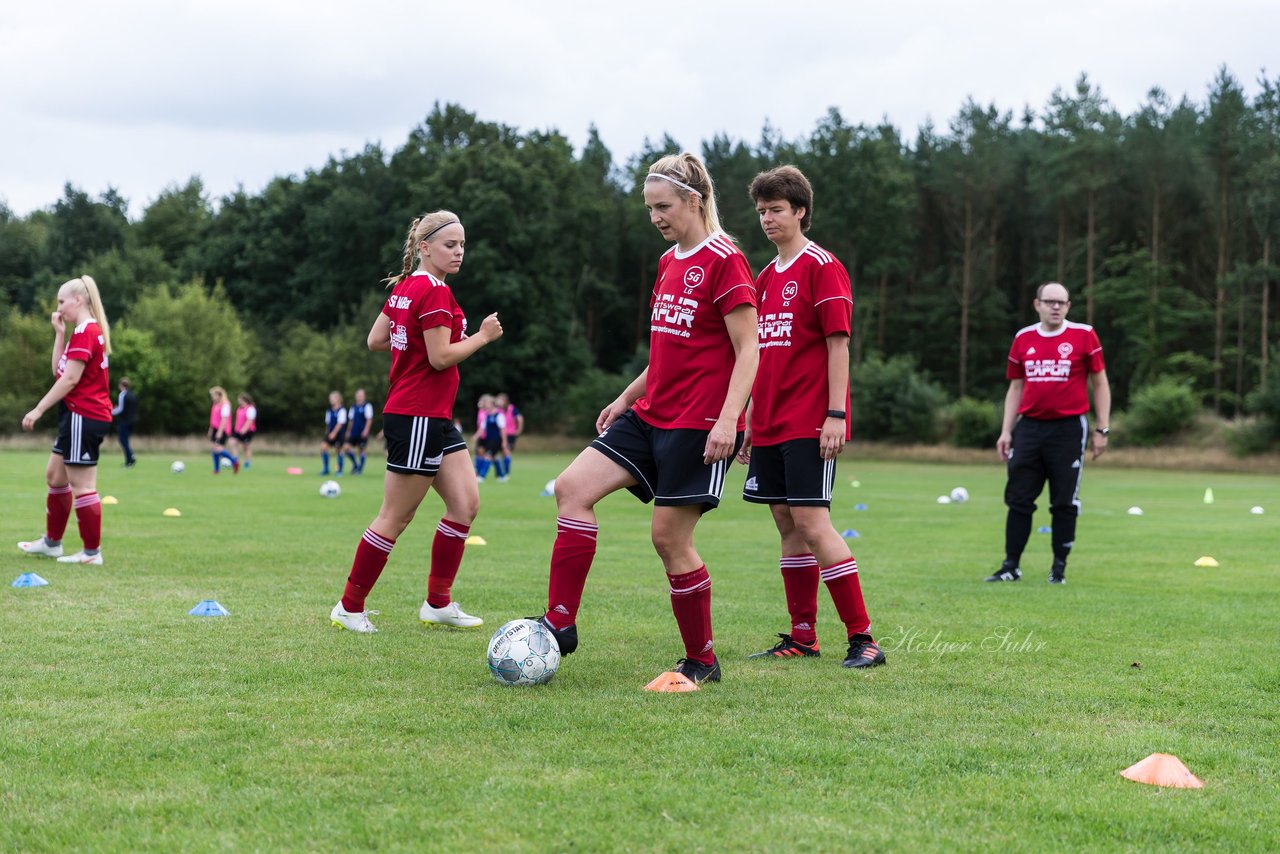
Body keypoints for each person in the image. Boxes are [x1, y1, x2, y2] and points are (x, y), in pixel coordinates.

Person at [534, 152, 758, 686]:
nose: (655, 217)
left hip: (699, 422)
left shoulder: (726, 259)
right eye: (649, 209)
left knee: (668, 540)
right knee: (571, 488)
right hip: (651, 413)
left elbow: (749, 348)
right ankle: (560, 624)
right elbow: (668, 350)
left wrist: (730, 420)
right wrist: (624, 397)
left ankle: (702, 659)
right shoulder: (668, 262)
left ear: (693, 200)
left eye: (663, 207)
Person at [329, 209, 503, 633]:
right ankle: (349, 607)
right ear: (424, 248)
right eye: (450, 244)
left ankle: (438, 604)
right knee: (395, 516)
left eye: (462, 244)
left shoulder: (409, 287)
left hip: (434, 417)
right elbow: (441, 356)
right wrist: (481, 337)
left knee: (465, 504)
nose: (459, 251)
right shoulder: (434, 292)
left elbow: (375, 339)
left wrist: (410, 343)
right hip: (417, 414)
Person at [738, 165, 884, 669]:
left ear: (800, 211)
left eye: (776, 210)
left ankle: (864, 638)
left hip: (810, 420)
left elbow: (838, 345)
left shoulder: (822, 266)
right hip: (772, 421)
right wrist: (750, 419)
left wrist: (836, 414)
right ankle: (802, 636)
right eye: (761, 211)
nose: (768, 219)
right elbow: (760, 355)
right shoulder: (763, 276)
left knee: (812, 522)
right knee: (785, 522)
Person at [987, 282, 1111, 585]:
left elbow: (1100, 383)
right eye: (1050, 301)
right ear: (1037, 304)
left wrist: (1102, 428)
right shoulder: (1023, 338)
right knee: (1019, 498)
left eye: (1062, 302)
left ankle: (1058, 569)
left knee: (1064, 501)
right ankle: (1010, 566)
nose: (1056, 307)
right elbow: (1015, 388)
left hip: (1068, 429)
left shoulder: (1084, 335)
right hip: (1029, 428)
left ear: (1068, 306)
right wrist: (1007, 431)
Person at [17, 276, 114, 566]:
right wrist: (59, 333)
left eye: (61, 301)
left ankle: (91, 553)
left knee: (82, 485)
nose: (58, 308)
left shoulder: (87, 331)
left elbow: (70, 380)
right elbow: (60, 371)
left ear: (78, 300)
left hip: (84, 415)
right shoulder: (79, 331)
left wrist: (38, 409)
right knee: (55, 477)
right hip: (76, 415)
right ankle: (52, 543)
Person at [474, 394, 508, 482]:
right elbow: (482, 428)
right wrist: (476, 436)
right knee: (494, 457)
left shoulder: (499, 415)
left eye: (487, 403)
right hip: (488, 440)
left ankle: (482, 476)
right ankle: (502, 476)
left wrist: (504, 442)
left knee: (488, 456)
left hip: (496, 440)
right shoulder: (487, 415)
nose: (486, 405)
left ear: (492, 404)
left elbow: (503, 429)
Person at [342, 388, 374, 474]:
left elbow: (369, 419)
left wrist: (366, 430)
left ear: (364, 396)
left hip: (362, 431)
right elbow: (351, 420)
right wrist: (348, 431)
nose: (359, 397)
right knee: (346, 447)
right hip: (353, 432)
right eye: (358, 395)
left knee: (361, 450)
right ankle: (356, 464)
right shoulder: (353, 406)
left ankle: (360, 469)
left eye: (361, 395)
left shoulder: (367, 406)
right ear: (356, 396)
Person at [208, 387, 239, 474]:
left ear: (219, 395)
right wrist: (211, 429)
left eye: (214, 395)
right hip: (215, 428)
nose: (212, 397)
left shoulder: (225, 404)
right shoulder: (215, 404)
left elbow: (224, 419)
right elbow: (213, 418)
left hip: (222, 429)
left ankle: (234, 461)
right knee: (214, 449)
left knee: (218, 448)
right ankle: (216, 469)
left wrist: (220, 431)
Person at [495, 392, 523, 478]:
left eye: (500, 400)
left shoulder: (512, 408)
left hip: (510, 434)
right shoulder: (497, 410)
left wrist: (519, 430)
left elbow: (520, 418)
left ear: (505, 401)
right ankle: (502, 473)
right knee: (501, 454)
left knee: (506, 452)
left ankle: (506, 473)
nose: (498, 401)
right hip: (500, 435)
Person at [112, 378, 138, 467]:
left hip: (124, 421)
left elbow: (120, 409)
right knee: (126, 440)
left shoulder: (122, 395)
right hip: (132, 421)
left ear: (121, 385)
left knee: (122, 440)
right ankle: (130, 458)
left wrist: (110, 411)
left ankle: (130, 459)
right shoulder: (133, 395)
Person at [321, 390, 347, 476]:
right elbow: (327, 423)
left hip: (339, 434)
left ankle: (339, 470)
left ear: (338, 399)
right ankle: (326, 469)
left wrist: (334, 433)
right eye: (330, 398)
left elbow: (340, 423)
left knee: (338, 450)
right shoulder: (329, 410)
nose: (330, 400)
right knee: (324, 447)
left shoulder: (342, 410)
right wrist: (327, 433)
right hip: (330, 433)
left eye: (332, 398)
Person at [232, 393, 258, 470]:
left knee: (246, 447)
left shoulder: (251, 408)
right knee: (232, 443)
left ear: (245, 400)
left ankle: (247, 462)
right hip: (238, 430)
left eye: (240, 399)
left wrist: (244, 429)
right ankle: (236, 460)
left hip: (248, 431)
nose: (238, 401)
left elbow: (250, 420)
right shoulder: (239, 408)